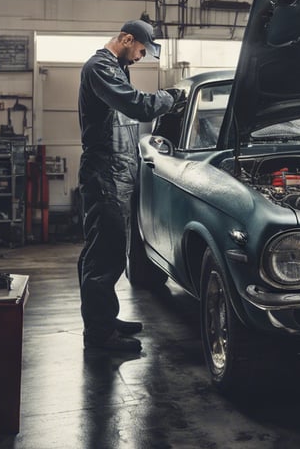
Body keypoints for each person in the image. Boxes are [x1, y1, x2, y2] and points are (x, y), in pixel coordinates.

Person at [77, 19, 178, 352]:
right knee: (103, 256)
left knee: (109, 252)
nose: (140, 57)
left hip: (117, 172)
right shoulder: (99, 68)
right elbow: (138, 105)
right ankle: (99, 335)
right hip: (104, 172)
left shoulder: (117, 69)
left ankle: (105, 319)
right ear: (126, 38)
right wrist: (173, 97)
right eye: (140, 50)